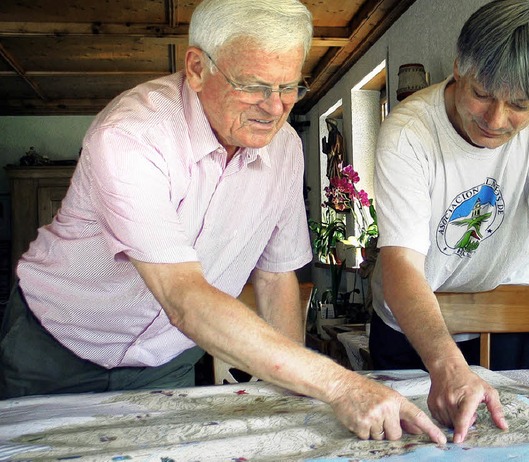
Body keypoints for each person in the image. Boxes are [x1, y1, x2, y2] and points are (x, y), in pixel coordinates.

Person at [0, 0, 447, 444]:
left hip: (165, 359)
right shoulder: (132, 135)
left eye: (289, 86)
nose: (274, 108)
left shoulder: (286, 149)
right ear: (196, 67)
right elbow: (184, 297)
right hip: (54, 347)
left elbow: (276, 277)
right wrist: (338, 383)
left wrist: (294, 392)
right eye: (253, 85)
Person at [369, 0, 529, 445]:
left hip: (507, 312)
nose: (495, 120)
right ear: (458, 67)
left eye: (518, 106)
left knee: (510, 443)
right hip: (413, 324)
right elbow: (401, 264)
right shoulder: (408, 131)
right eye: (482, 94)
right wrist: (449, 366)